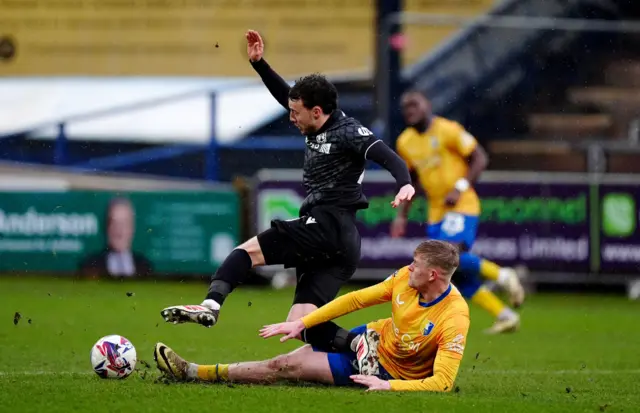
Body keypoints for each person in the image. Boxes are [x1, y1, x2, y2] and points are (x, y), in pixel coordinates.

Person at [159, 30, 415, 352]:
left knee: (245, 253)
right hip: (342, 244)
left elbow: (387, 155)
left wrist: (404, 182)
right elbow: (288, 96)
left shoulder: (349, 132)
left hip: (327, 224)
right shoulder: (315, 117)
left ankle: (210, 306)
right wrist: (259, 64)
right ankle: (369, 348)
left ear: (317, 112)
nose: (291, 117)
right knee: (304, 325)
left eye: (296, 113)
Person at [154, 240, 469, 392]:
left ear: (434, 275)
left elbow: (442, 382)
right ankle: (356, 342)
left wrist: (388, 387)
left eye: (416, 265)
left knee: (284, 365)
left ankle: (193, 372)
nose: (409, 267)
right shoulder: (405, 278)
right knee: (302, 317)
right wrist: (302, 324)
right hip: (372, 339)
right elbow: (358, 299)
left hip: (388, 371)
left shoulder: (453, 317)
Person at [391, 90, 524, 334]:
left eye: (415, 104)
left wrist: (459, 187)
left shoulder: (447, 129)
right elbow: (412, 180)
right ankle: (505, 315)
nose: (410, 110)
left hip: (462, 204)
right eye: (405, 107)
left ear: (427, 105)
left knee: (446, 256)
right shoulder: (405, 142)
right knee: (455, 274)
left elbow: (479, 157)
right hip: (436, 211)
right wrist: (402, 215)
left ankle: (504, 276)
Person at [79, 197, 152, 278]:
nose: (119, 231)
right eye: (114, 223)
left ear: (132, 228)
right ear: (106, 227)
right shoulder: (91, 264)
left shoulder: (144, 265)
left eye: (124, 223)